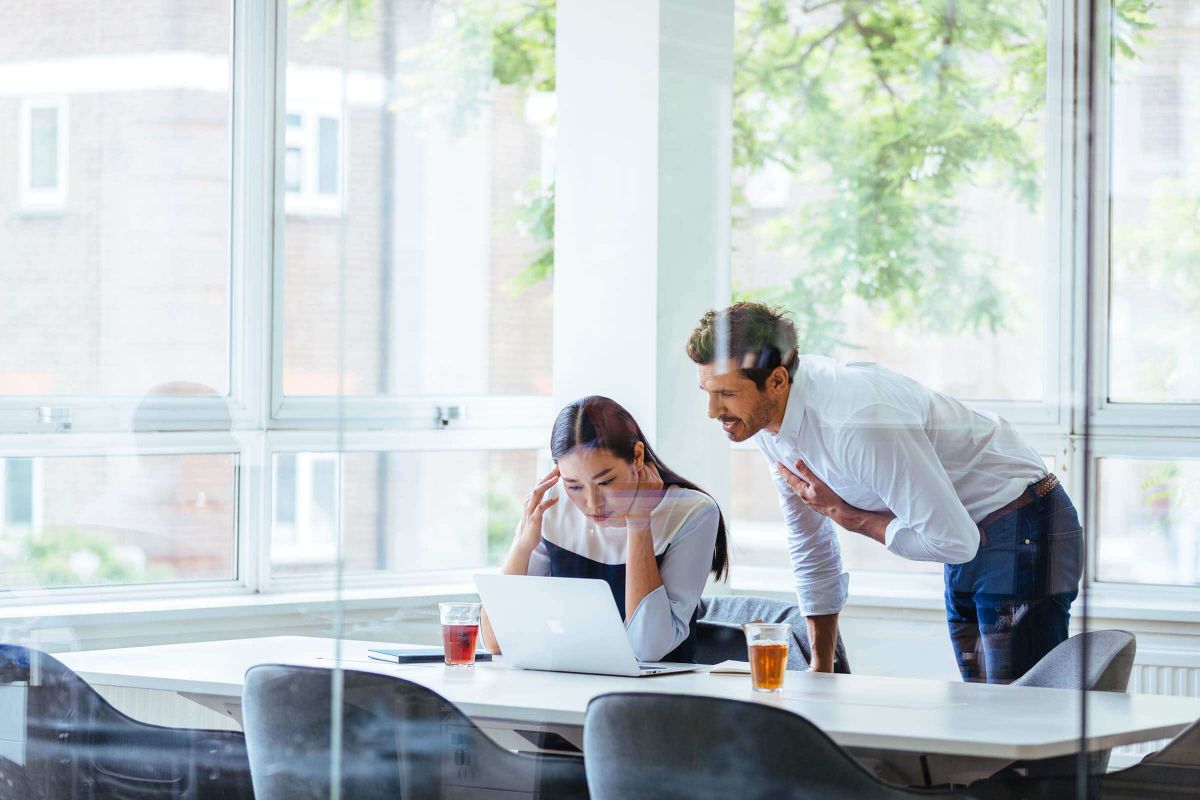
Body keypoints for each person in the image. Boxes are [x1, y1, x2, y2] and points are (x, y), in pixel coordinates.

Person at [687, 302, 1083, 683]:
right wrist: (822, 668)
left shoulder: (856, 422)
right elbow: (810, 541)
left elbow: (954, 541)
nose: (711, 411)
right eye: (707, 391)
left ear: (776, 380)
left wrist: (850, 517)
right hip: (975, 534)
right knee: (987, 714)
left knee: (1020, 718)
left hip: (1023, 520)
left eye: (726, 394)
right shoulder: (773, 425)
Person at [480, 396, 728, 663]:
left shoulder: (692, 513)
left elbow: (647, 647)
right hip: (565, 685)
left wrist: (639, 523)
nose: (592, 503)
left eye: (606, 481)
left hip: (659, 696)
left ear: (637, 456)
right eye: (574, 486)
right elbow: (494, 641)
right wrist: (522, 544)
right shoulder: (551, 505)